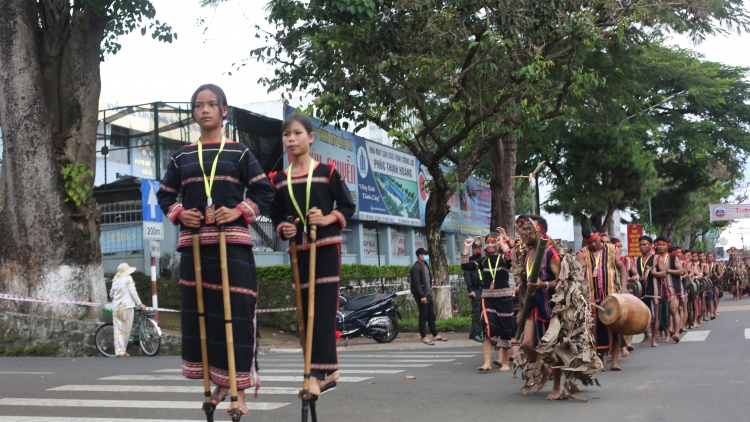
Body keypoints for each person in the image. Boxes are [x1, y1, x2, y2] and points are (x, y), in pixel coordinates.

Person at [157, 84, 275, 415]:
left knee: (235, 316)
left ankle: (238, 392)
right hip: (195, 247)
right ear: (193, 113)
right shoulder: (181, 156)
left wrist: (239, 210)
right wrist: (181, 213)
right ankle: (217, 383)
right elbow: (165, 195)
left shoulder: (239, 153)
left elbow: (263, 192)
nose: (205, 110)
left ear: (224, 111)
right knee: (204, 318)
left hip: (233, 247)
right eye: (198, 105)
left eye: (212, 104)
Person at [270, 113, 356, 397]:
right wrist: (285, 229)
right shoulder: (279, 180)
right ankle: (326, 370)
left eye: (296, 133)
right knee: (305, 313)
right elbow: (276, 218)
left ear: (310, 137)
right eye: (286, 135)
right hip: (299, 252)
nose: (291, 139)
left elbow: (347, 206)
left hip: (326, 250)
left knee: (322, 311)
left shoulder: (327, 173)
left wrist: (327, 218)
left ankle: (317, 375)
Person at [517, 216, 562, 400]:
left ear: (540, 231)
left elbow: (562, 280)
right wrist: (521, 310)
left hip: (551, 306)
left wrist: (543, 285)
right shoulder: (527, 254)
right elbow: (524, 284)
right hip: (532, 306)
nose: (524, 233)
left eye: (529, 230)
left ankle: (557, 387)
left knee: (553, 348)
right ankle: (545, 371)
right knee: (527, 344)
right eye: (523, 230)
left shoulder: (551, 253)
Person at [461, 231, 513, 372]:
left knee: (505, 331)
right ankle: (487, 363)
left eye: (493, 242)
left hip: (505, 299)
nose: (490, 245)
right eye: (488, 242)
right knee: (487, 329)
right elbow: (465, 265)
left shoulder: (504, 259)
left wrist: (505, 245)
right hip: (488, 299)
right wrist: (467, 247)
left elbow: (513, 260)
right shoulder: (483, 261)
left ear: (498, 242)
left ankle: (506, 363)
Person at [576, 225, 627, 371]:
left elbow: (621, 269)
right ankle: (600, 358)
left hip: (611, 297)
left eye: (594, 240)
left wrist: (623, 288)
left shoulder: (612, 250)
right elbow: (579, 276)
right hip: (591, 299)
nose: (593, 244)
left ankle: (615, 361)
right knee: (594, 331)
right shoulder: (582, 254)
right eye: (589, 242)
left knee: (615, 329)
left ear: (599, 236)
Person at [409, 247, 447, 345]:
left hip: (427, 294)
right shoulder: (416, 267)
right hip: (421, 295)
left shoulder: (425, 264)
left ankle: (435, 335)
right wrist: (422, 296)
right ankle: (423, 336)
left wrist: (429, 290)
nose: (426, 256)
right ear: (419, 256)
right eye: (424, 254)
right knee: (423, 316)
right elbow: (417, 283)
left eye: (427, 254)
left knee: (431, 315)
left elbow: (427, 279)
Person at [109, 263, 146, 357]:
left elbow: (111, 295)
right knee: (126, 330)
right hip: (127, 307)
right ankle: (123, 351)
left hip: (116, 308)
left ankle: (121, 351)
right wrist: (139, 303)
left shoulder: (115, 280)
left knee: (118, 330)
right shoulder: (128, 278)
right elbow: (133, 292)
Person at [629, 236, 660, 347]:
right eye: (640, 245)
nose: (642, 247)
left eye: (644, 244)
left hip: (654, 290)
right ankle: (646, 334)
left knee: (654, 316)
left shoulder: (656, 258)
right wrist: (634, 276)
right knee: (641, 316)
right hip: (639, 291)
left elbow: (664, 273)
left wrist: (653, 272)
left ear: (650, 246)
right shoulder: (636, 260)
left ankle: (654, 340)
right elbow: (633, 272)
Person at [464, 238, 484, 342]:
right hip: (475, 289)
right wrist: (470, 289)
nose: (478, 250)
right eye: (475, 248)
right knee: (476, 312)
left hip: (482, 288)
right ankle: (475, 333)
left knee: (482, 312)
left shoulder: (481, 260)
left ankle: (478, 332)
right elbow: (467, 277)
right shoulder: (469, 261)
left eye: (479, 247)